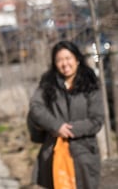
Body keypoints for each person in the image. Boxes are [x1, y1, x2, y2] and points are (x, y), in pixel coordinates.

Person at [27, 40, 104, 189]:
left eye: (68, 58)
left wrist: (70, 129)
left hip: (84, 152)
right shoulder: (48, 83)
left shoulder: (91, 84)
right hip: (54, 151)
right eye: (59, 60)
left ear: (77, 59)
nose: (64, 64)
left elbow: (97, 119)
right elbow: (36, 108)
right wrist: (56, 126)